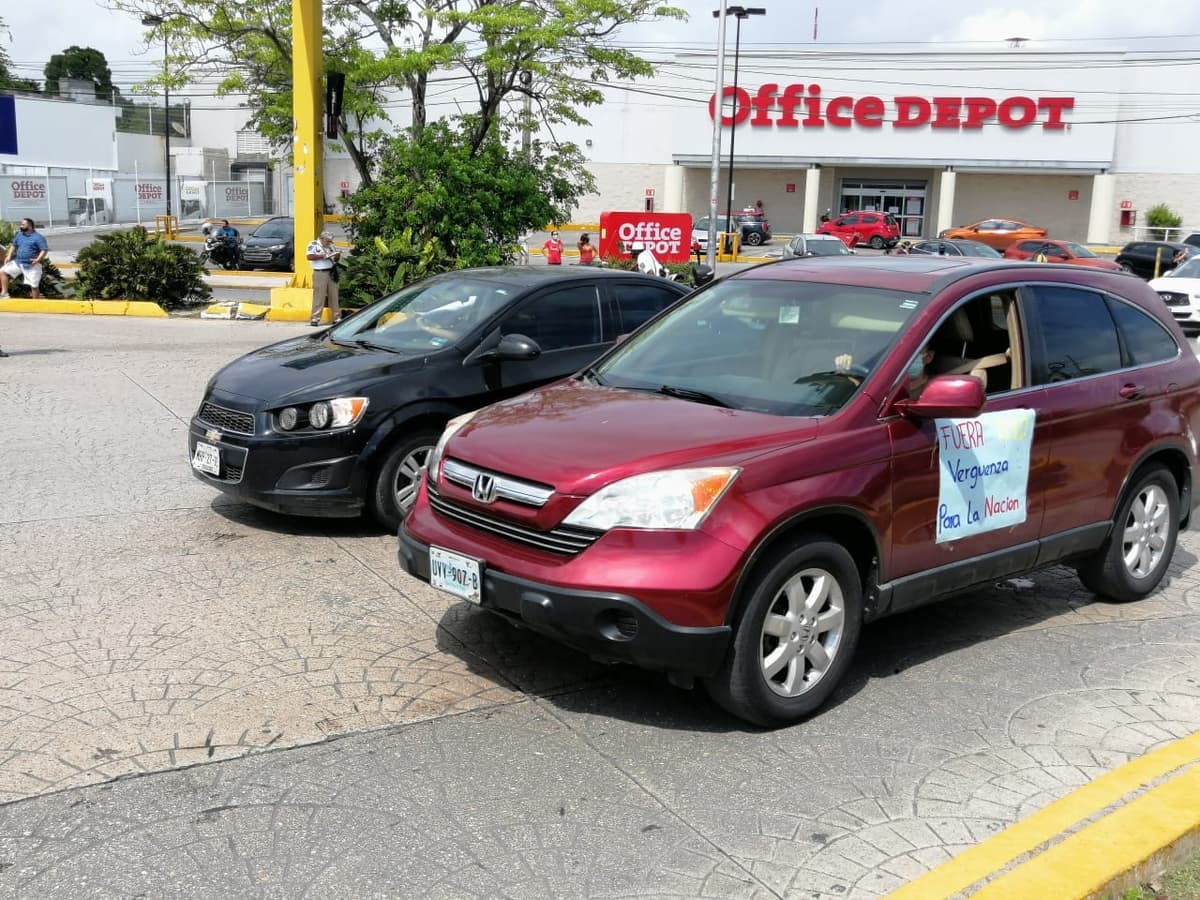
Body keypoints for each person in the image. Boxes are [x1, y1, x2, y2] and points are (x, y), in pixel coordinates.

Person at [0, 217, 49, 301]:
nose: (20, 226)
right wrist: (9, 256)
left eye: (23, 224)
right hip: (18, 262)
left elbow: (44, 250)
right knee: (3, 272)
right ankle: (4, 293)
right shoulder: (19, 235)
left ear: (29, 226)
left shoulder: (38, 237)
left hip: (32, 265)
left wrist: (37, 259)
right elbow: (14, 245)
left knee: (34, 286)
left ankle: (35, 302)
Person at [306, 231, 341, 326]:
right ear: (322, 238)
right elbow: (309, 256)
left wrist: (337, 255)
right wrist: (323, 256)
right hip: (320, 273)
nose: (329, 242)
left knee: (334, 295)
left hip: (331, 272)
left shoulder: (331, 245)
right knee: (319, 296)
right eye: (327, 240)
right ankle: (315, 318)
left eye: (330, 241)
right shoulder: (314, 244)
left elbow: (335, 259)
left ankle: (336, 317)